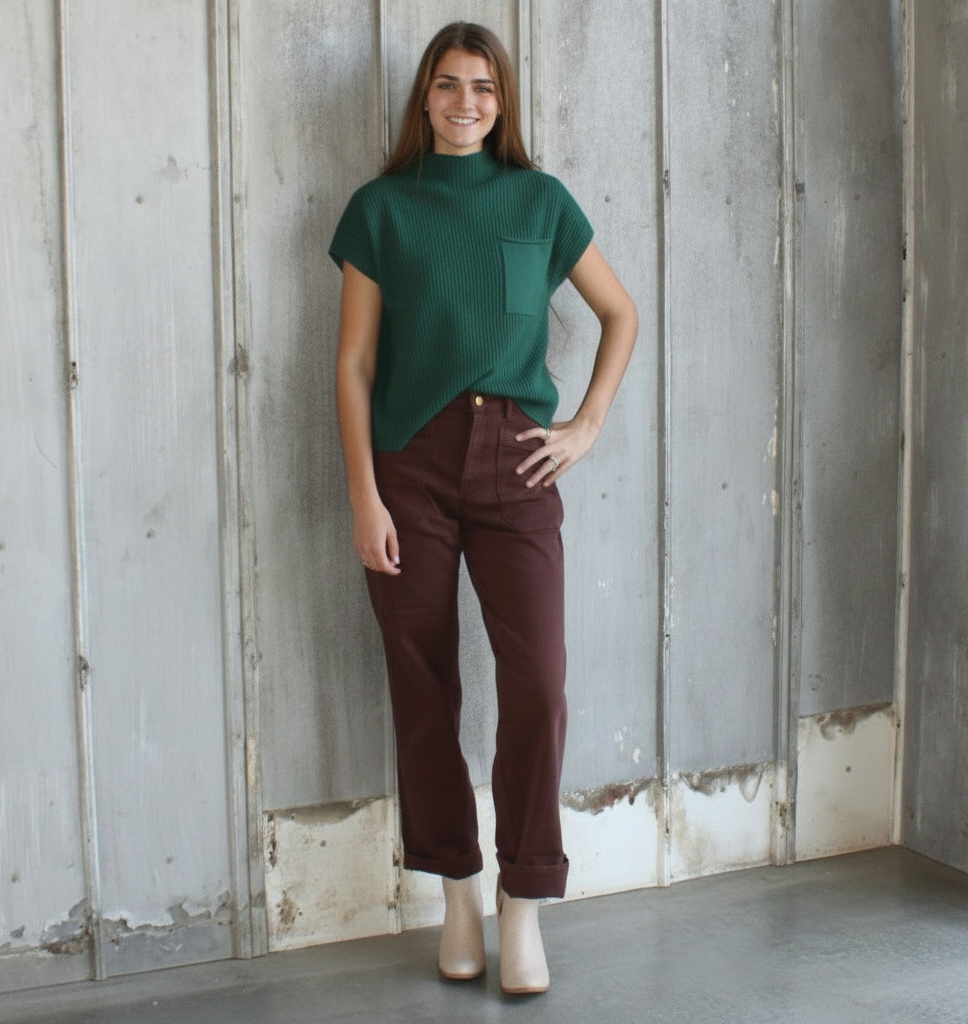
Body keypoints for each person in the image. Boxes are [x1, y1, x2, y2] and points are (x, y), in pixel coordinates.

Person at [330, 21, 637, 996]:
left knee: (537, 684)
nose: (466, 102)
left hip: (516, 462)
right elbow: (353, 362)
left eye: (485, 89)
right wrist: (362, 492)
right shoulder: (381, 209)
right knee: (423, 691)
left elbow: (619, 313)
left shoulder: (538, 201)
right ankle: (456, 893)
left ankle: (523, 902)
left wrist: (584, 425)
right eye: (449, 85)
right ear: (423, 97)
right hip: (408, 467)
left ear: (502, 105)